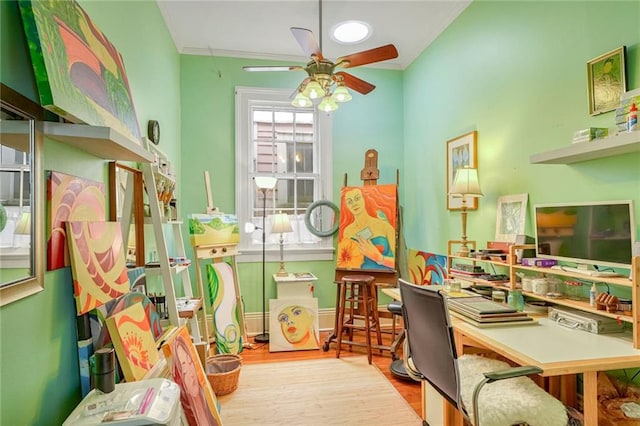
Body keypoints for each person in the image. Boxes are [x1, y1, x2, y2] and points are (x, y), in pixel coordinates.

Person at [339, 187, 396, 270]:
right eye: (349, 202)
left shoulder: (384, 227)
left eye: (357, 198)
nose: (354, 204)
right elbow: (347, 263)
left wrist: (378, 257)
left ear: (364, 199)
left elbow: (397, 263)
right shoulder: (348, 231)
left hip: (383, 277)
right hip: (358, 278)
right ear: (346, 206)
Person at [171, 333, 220, 426]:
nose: (191, 374)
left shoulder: (206, 403)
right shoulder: (185, 414)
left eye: (190, 362)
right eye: (184, 370)